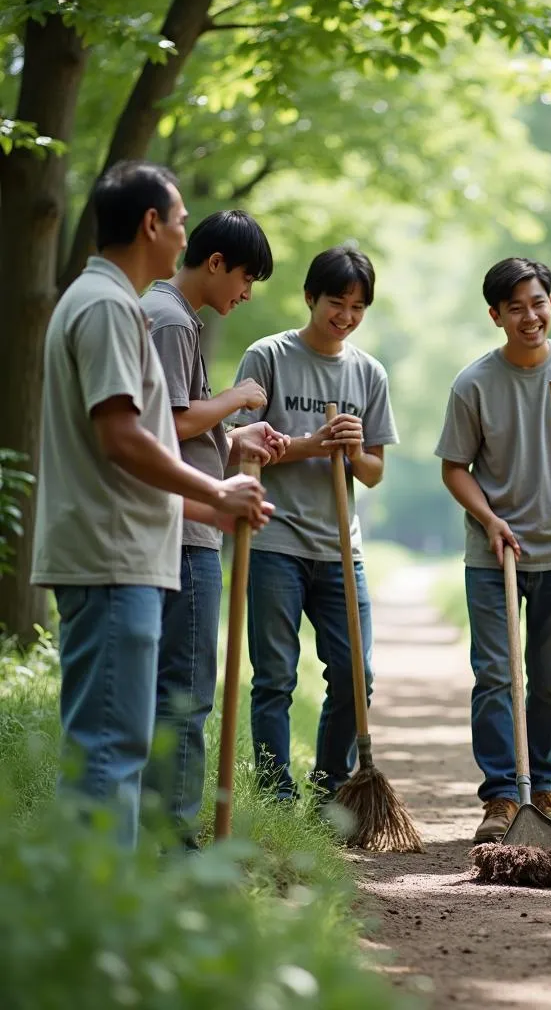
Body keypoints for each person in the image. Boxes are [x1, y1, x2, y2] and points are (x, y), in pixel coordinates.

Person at [30, 161, 272, 848]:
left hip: (118, 551)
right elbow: (121, 439)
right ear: (151, 225)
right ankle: (102, 933)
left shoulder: (105, 302)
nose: (185, 234)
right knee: (111, 754)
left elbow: (125, 459)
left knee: (114, 749)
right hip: (111, 563)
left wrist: (208, 510)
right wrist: (215, 488)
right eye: (182, 220)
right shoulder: (109, 307)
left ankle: (112, 917)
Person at [436, 257, 551, 842]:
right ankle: (501, 797)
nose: (529, 315)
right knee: (495, 674)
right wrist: (487, 517)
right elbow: (454, 468)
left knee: (549, 680)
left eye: (537, 302)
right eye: (514, 307)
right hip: (495, 551)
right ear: (496, 315)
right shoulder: (474, 383)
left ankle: (540, 786)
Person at [141, 210, 290, 849]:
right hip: (186, 533)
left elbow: (185, 427)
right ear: (215, 263)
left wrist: (235, 439)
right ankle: (174, 840)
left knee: (167, 690)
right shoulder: (172, 319)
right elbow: (169, 423)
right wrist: (237, 399)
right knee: (187, 693)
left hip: (174, 523)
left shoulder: (170, 315)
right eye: (246, 278)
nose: (247, 294)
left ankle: (152, 831)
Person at [230, 245, 398, 803]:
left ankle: (330, 791)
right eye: (335, 302)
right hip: (274, 537)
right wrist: (309, 444)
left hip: (339, 547)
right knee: (274, 676)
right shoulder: (268, 355)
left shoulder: (368, 372)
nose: (344, 316)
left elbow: (373, 473)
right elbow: (239, 450)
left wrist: (351, 452)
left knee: (356, 677)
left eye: (357, 306)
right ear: (309, 297)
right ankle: (276, 795)